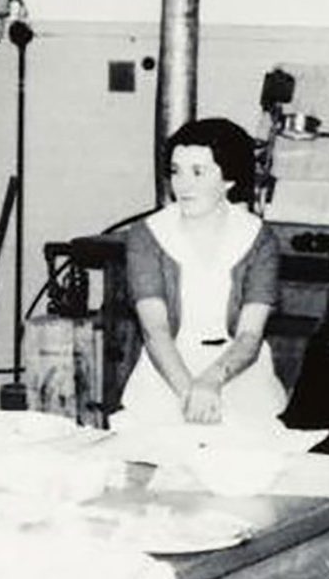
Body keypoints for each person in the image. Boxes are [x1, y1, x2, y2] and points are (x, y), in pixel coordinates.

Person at [114, 118, 286, 430]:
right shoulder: (147, 235)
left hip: (238, 375)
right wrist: (189, 394)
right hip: (166, 375)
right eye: (176, 171)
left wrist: (210, 382)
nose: (183, 185)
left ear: (229, 179)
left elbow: (250, 335)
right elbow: (155, 331)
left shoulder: (258, 238)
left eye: (198, 172)